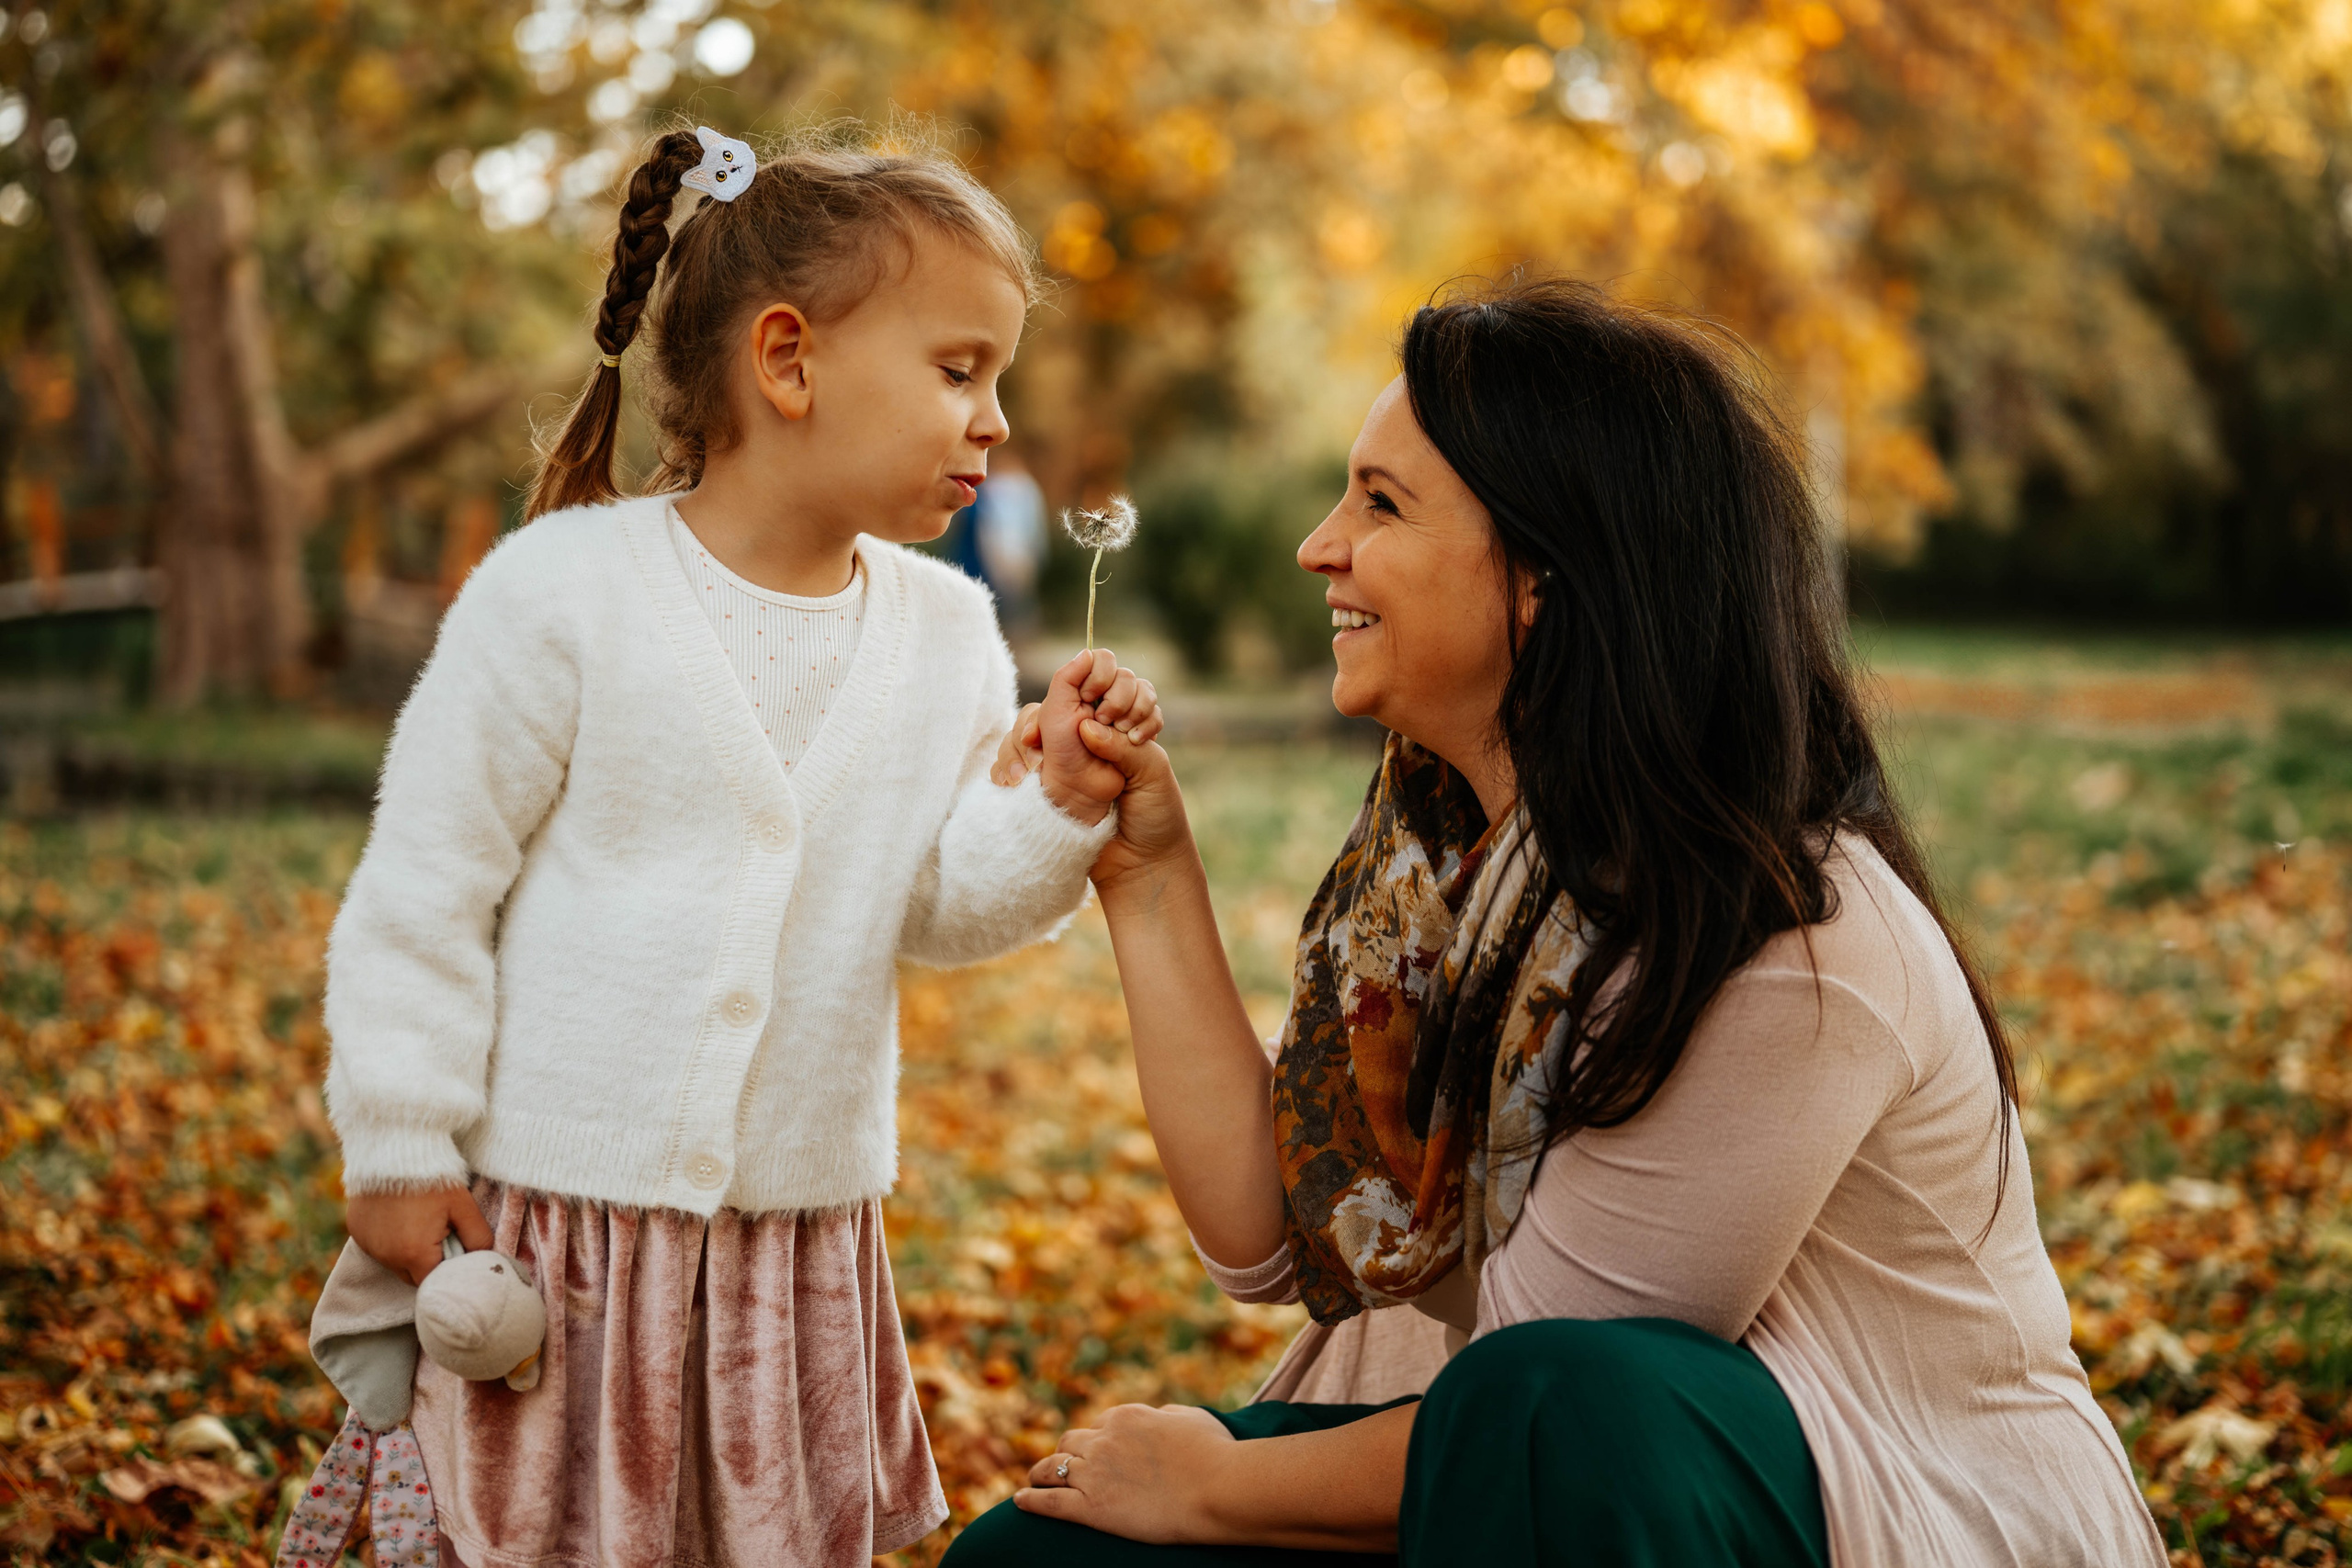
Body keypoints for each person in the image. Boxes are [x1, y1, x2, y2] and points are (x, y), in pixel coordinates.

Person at [960, 277, 2165, 1566]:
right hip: (1543, 1479)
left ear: (1544, 577)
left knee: (1553, 1408)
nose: (1320, 547)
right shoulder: (1453, 877)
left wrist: (1211, 1489)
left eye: (1380, 504)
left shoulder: (1788, 935)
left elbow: (1535, 1418)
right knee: (1041, 1558)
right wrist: (1146, 872)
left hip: (1877, 1504)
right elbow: (1264, 1232)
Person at [318, 125, 1163, 1567]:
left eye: (996, 378)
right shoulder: (565, 593)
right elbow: (427, 883)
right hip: (563, 1239)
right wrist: (400, 1141)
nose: (997, 420)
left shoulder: (948, 631)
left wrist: (1059, 804)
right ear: (788, 361)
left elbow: (941, 902)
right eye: (960, 370)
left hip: (789, 1246)